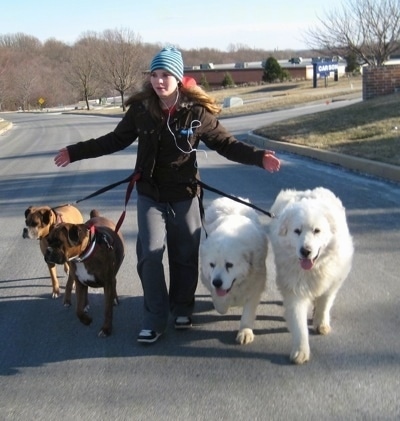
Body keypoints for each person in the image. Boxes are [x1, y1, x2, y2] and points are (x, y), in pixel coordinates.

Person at [54, 47, 281, 344]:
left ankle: (182, 308)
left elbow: (226, 144)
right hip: (150, 193)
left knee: (185, 256)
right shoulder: (141, 110)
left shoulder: (196, 113)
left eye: (165, 75)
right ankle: (154, 318)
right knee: (148, 255)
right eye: (154, 75)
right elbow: (114, 140)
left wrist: (258, 156)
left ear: (178, 77)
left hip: (185, 194)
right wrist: (74, 152)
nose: (159, 81)